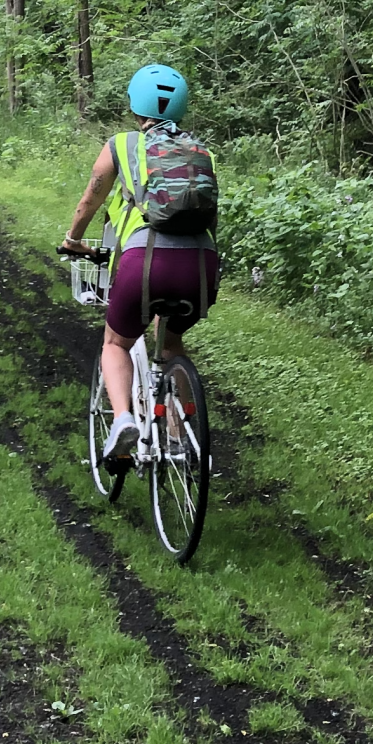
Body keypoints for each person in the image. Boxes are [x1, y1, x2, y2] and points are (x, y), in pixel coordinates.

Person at [62, 63, 219, 469]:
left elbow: (90, 200)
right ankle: (180, 436)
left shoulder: (122, 144)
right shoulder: (202, 152)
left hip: (146, 263)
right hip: (201, 268)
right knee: (170, 344)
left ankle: (123, 421)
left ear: (135, 105)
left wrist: (72, 239)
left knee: (116, 342)